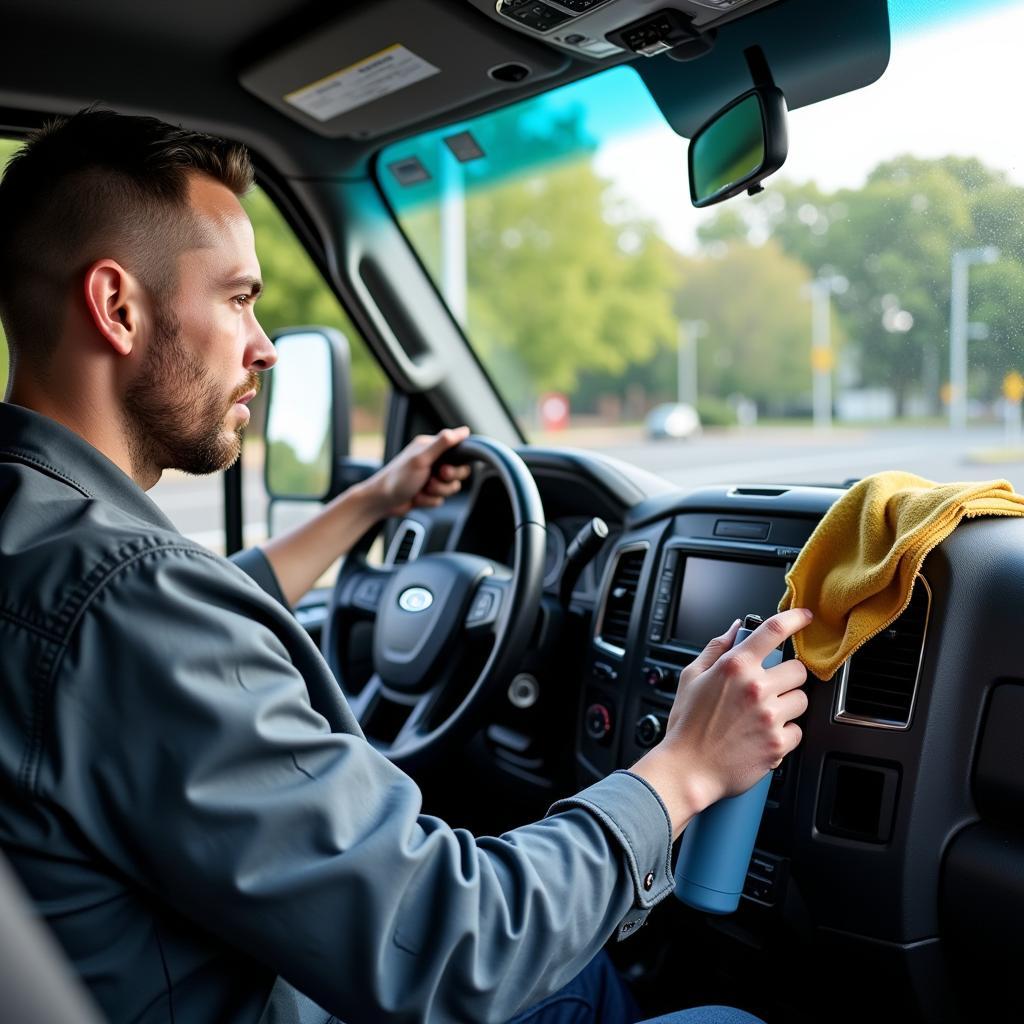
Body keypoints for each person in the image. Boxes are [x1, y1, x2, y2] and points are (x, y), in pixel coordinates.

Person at [0, 109, 810, 1024]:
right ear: (117, 307)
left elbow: (180, 638)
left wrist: (372, 505)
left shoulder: (45, 546)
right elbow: (453, 946)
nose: (263, 343)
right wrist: (687, 768)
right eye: (237, 299)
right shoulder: (129, 602)